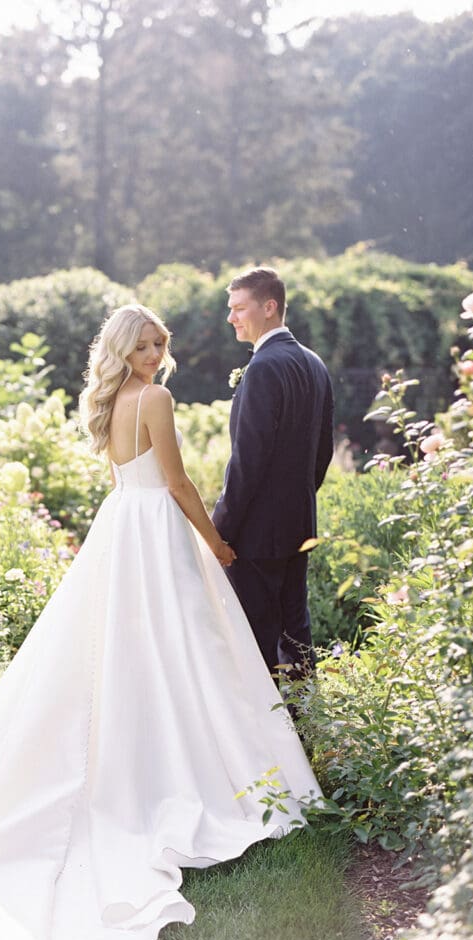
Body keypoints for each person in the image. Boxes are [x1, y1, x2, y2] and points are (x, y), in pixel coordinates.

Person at [0, 303, 320, 940]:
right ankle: (187, 768)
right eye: (142, 345)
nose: (152, 353)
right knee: (183, 650)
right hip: (154, 531)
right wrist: (217, 543)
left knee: (127, 651)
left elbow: (128, 481)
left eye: (157, 344)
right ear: (121, 350)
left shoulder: (111, 402)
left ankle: (138, 753)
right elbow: (175, 483)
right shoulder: (158, 399)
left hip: (120, 529)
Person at [212, 267, 334, 686]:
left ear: (269, 307)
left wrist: (220, 530)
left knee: (254, 642)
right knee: (295, 637)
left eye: (239, 308)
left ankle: (262, 741)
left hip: (256, 535)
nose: (231, 318)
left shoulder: (264, 367)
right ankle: (305, 732)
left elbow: (248, 462)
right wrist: (295, 502)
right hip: (298, 527)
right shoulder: (314, 363)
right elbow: (323, 452)